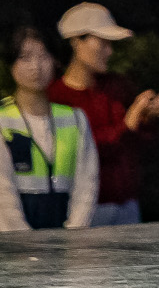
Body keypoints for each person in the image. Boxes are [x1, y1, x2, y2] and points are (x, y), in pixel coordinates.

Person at [49, 3, 159, 227]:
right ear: (76, 42)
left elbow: (143, 145)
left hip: (128, 204)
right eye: (102, 42)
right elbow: (86, 151)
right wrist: (130, 121)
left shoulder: (117, 86)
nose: (110, 51)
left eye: (110, 44)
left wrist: (148, 117)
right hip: (85, 209)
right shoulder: (56, 96)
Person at [2, 27, 96, 230]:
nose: (35, 67)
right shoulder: (3, 120)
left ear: (54, 60)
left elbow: (87, 183)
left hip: (66, 240)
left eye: (43, 56)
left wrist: (74, 234)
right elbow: (3, 192)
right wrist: (23, 241)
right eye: (25, 58)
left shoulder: (75, 118)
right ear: (11, 64)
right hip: (14, 243)